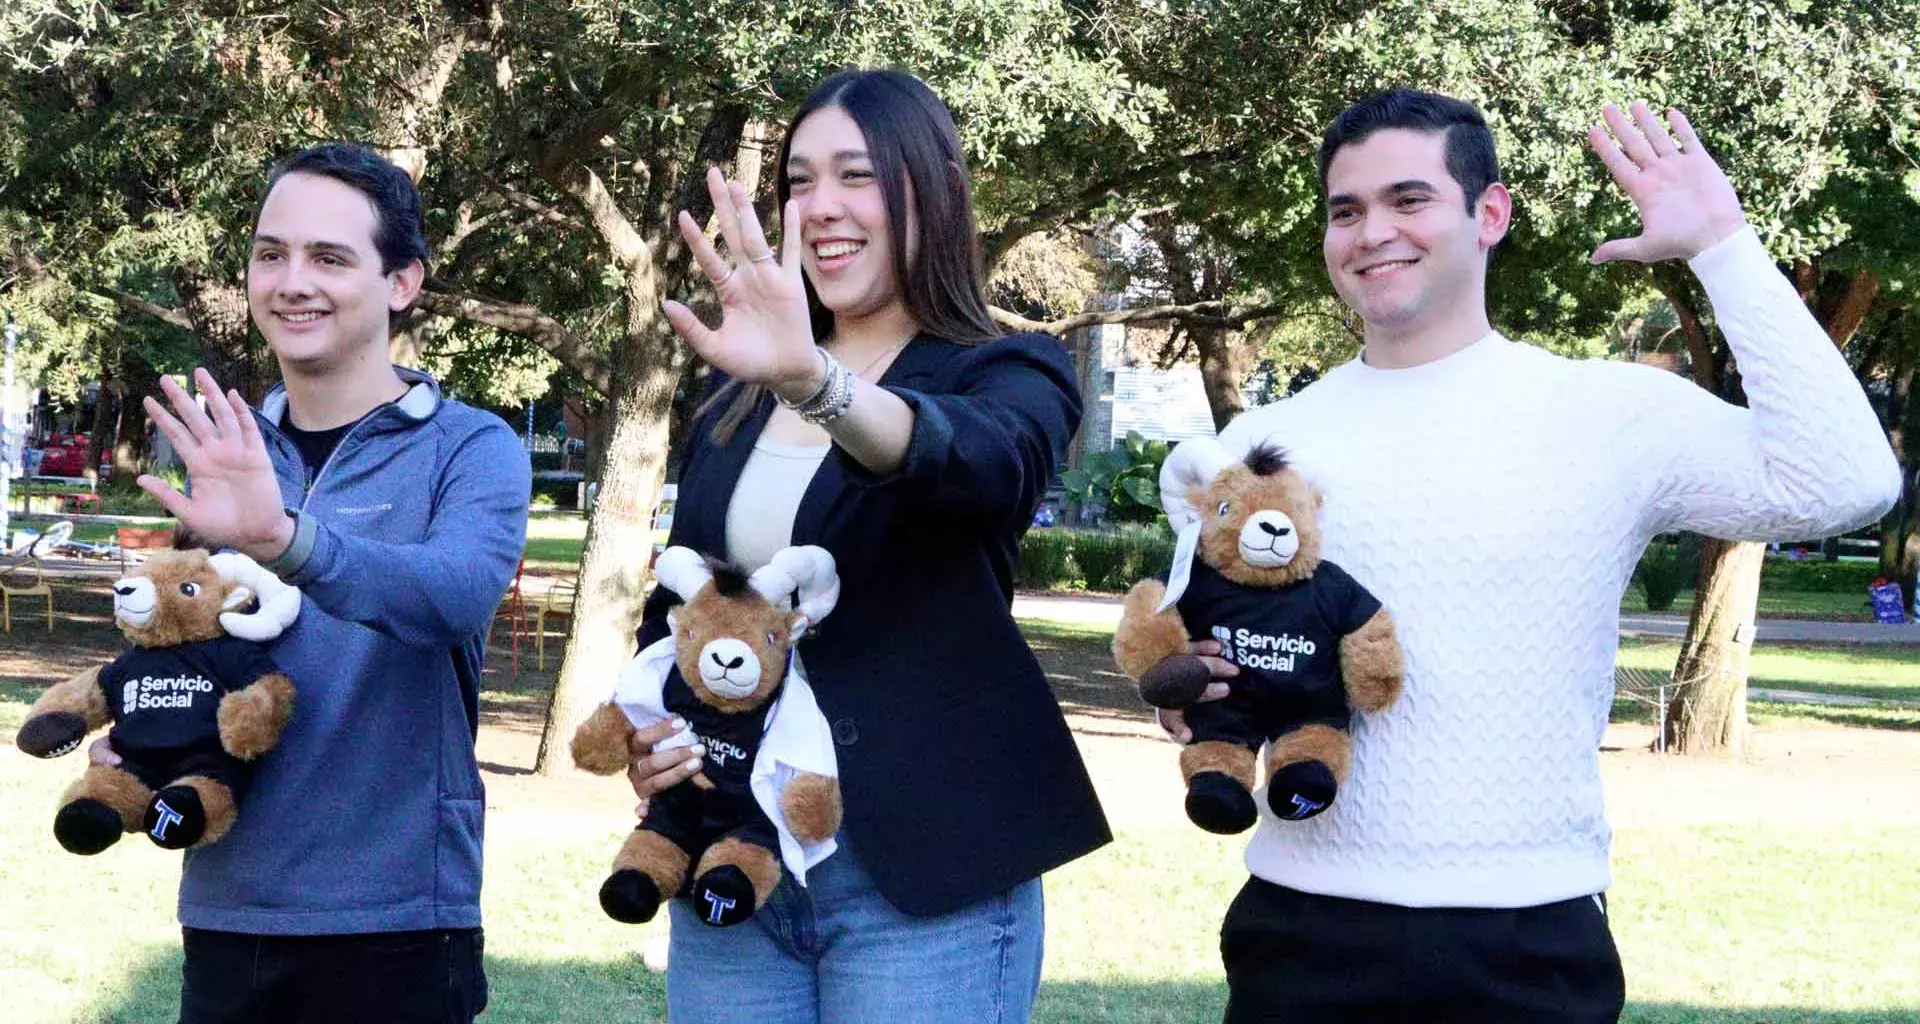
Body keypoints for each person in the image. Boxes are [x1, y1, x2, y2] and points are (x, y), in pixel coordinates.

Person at [1169, 88, 1902, 1021]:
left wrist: (1722, 244)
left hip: (1526, 937)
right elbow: (1205, 653)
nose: (1371, 233)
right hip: (1301, 927)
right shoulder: (1264, 443)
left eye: (1408, 199)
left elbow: (1844, 482)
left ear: (1490, 214)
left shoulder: (1603, 413)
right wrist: (1199, 697)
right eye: (1344, 210)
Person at [621, 68, 1111, 1022]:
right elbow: (688, 606)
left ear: (930, 189)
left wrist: (817, 382)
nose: (822, 207)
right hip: (736, 857)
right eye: (800, 181)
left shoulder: (1009, 371)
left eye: (857, 175)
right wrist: (654, 727)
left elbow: (980, 468)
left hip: (923, 877)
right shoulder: (734, 399)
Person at [111, 143, 529, 1022]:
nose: (292, 281)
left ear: (403, 283)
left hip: (400, 918)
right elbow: (197, 647)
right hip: (228, 906)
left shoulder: (472, 446)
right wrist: (139, 735)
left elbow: (451, 595)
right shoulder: (233, 447)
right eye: (272, 254)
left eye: (329, 258)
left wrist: (285, 538)